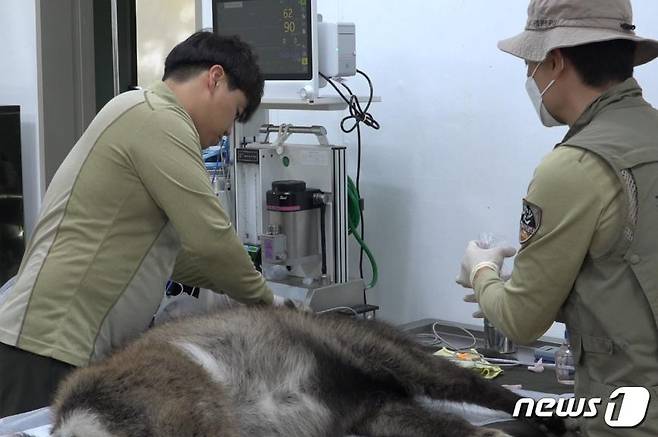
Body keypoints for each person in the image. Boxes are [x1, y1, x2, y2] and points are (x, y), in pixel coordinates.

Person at [0, 31, 277, 418]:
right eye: (236, 112)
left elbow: (176, 258)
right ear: (215, 78)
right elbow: (212, 240)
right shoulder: (157, 118)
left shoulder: (139, 111)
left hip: (58, 347)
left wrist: (239, 290)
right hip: (46, 347)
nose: (231, 131)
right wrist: (271, 308)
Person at [456, 0, 658, 435]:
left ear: (555, 60)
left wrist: (482, 271)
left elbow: (522, 321)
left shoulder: (575, 166)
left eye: (531, 64)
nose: (530, 77)